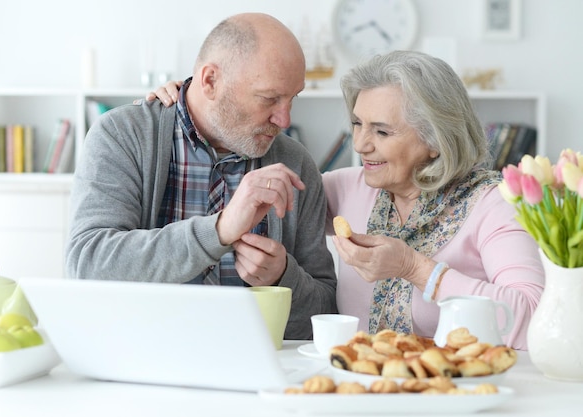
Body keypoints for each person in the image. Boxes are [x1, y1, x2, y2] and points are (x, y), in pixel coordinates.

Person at [153, 51, 544, 350]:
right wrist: (193, 107)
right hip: (352, 389)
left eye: (382, 131)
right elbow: (234, 201)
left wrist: (415, 268)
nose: (360, 144)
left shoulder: (493, 203)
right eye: (357, 124)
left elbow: (532, 320)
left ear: (434, 140)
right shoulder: (347, 188)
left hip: (453, 395)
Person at [66, 13, 338, 340]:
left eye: (292, 98)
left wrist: (282, 277)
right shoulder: (123, 135)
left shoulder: (295, 163)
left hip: (253, 367)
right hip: (140, 359)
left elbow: (324, 314)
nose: (284, 119)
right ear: (209, 81)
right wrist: (219, 230)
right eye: (269, 98)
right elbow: (87, 264)